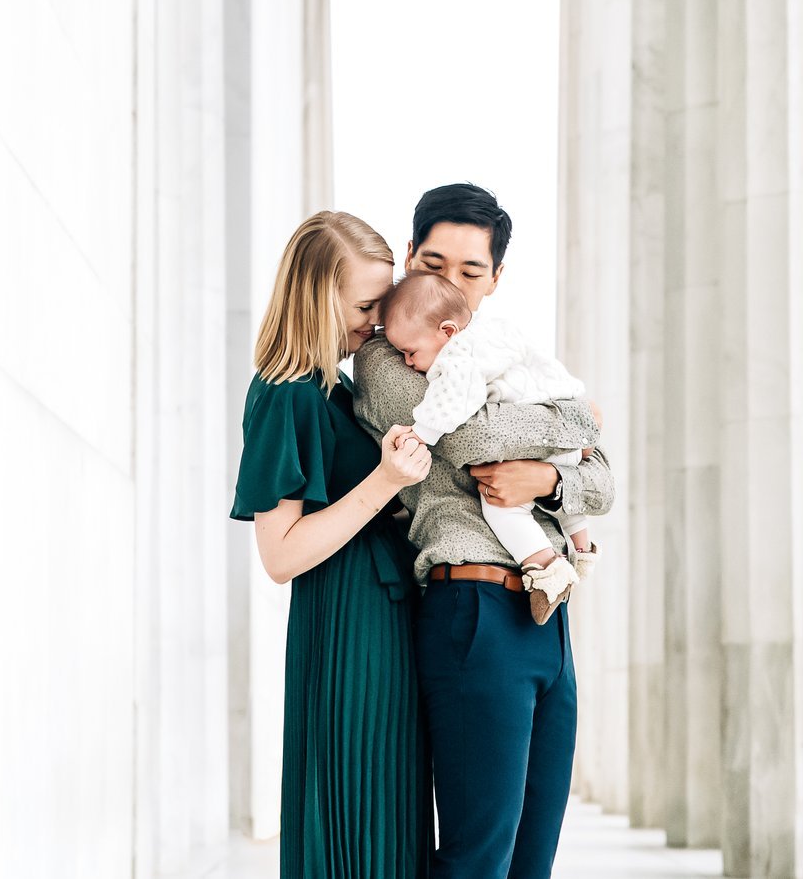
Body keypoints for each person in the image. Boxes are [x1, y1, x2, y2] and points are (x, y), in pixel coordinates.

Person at [353, 182, 616, 879]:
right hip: (472, 610)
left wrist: (547, 480)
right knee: (477, 859)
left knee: (532, 862)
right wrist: (579, 422)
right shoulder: (391, 355)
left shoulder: (499, 351)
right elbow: (477, 433)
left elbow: (603, 482)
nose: (450, 284)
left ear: (496, 277)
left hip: (545, 623)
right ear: (410, 256)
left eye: (471, 271)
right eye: (434, 264)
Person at [231, 210, 434, 879]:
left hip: (386, 625)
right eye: (365, 305)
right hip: (348, 633)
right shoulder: (284, 394)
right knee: (354, 822)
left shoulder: (338, 389)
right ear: (319, 296)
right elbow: (279, 553)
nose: (375, 322)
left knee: (389, 819)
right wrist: (383, 482)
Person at [376, 270, 597, 622]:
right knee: (562, 488)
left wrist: (422, 433)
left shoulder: (457, 356)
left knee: (502, 506)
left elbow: (457, 410)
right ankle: (582, 547)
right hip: (564, 431)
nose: (407, 362)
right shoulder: (496, 332)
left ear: (447, 331)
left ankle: (546, 569)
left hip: (535, 444)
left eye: (410, 351)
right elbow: (588, 425)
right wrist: (582, 426)